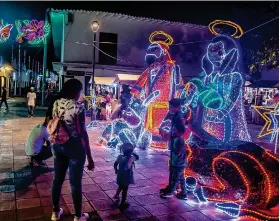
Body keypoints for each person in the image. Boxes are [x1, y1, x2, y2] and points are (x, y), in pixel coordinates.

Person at [50, 79, 95, 221]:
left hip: (57, 144)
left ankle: (55, 213)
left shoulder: (56, 103)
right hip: (74, 146)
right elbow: (82, 133)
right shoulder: (79, 108)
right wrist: (90, 157)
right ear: (76, 92)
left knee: (57, 180)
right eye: (80, 91)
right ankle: (77, 216)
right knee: (75, 183)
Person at [159, 98, 184, 195]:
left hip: (176, 144)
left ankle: (172, 189)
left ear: (175, 107)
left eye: (170, 106)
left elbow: (179, 131)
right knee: (172, 166)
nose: (169, 108)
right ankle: (171, 187)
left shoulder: (178, 117)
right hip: (174, 142)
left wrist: (167, 134)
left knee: (175, 167)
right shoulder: (175, 115)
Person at [161, 122, 188, 199]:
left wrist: (168, 153)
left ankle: (171, 192)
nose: (173, 131)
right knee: (181, 178)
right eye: (173, 130)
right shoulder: (177, 139)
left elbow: (178, 152)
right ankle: (184, 193)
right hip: (178, 163)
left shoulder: (179, 140)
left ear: (180, 132)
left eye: (175, 130)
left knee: (175, 179)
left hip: (179, 163)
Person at [113, 143, 139, 210]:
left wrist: (116, 169)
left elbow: (115, 164)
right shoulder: (131, 158)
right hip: (126, 175)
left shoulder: (119, 156)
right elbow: (137, 157)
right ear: (130, 151)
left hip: (120, 174)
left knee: (121, 185)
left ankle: (116, 195)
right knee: (125, 189)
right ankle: (123, 203)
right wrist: (132, 150)